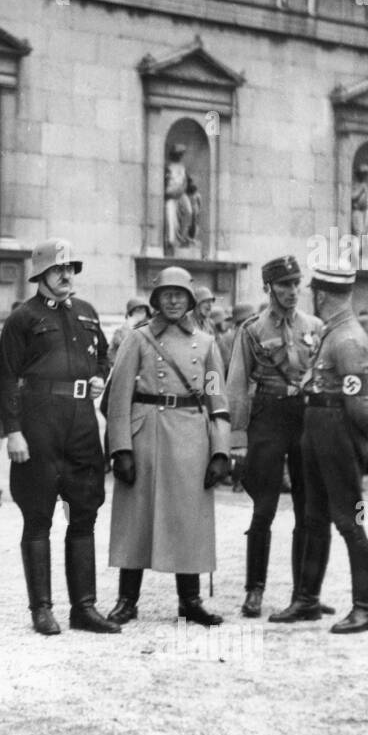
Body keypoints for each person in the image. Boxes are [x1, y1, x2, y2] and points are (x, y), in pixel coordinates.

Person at [0, 238, 118, 635]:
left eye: (71, 268)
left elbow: (101, 354)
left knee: (84, 511)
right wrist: (13, 432)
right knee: (38, 515)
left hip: (82, 424)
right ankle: (42, 609)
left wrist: (98, 374)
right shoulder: (23, 318)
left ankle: (83, 607)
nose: (66, 275)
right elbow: (7, 378)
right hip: (39, 422)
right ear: (40, 275)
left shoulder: (86, 313)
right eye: (57, 269)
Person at [107, 264, 231, 624]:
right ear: (157, 299)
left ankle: (189, 601)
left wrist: (220, 450)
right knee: (137, 517)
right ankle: (127, 600)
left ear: (191, 300)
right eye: (167, 294)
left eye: (180, 295)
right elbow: (119, 398)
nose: (174, 300)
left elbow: (216, 399)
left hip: (192, 436)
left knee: (189, 518)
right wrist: (121, 448)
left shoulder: (206, 344)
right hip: (147, 433)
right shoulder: (139, 338)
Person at [269, 264, 368, 633]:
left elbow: (360, 402)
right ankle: (307, 600)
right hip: (317, 429)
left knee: (352, 520)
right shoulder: (334, 334)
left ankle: (366, 607)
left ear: (322, 295)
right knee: (315, 518)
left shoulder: (348, 339)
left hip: (335, 432)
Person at [222, 256, 328, 621]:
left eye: (296, 284)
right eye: (284, 285)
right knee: (264, 507)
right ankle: (255, 590)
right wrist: (237, 439)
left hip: (305, 419)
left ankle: (304, 592)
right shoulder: (251, 331)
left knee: (307, 506)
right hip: (267, 417)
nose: (292, 292)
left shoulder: (314, 326)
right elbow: (236, 386)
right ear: (268, 288)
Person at [109, 296, 152, 366]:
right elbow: (112, 354)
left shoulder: (151, 330)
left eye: (143, 310)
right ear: (131, 313)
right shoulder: (121, 332)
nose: (140, 313)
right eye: (137, 310)